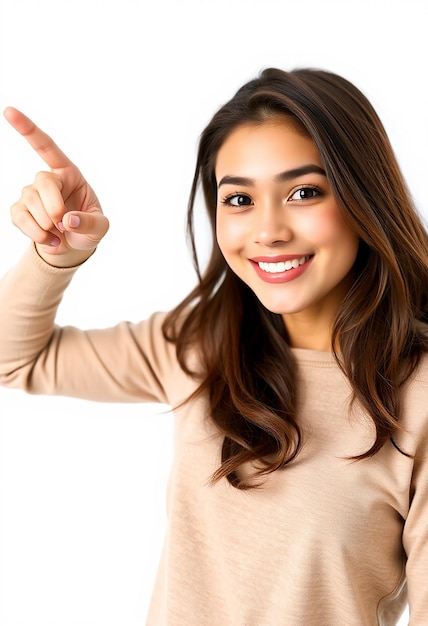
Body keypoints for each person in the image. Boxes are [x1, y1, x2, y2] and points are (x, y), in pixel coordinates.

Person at [0, 67, 427, 626]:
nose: (268, 230)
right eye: (240, 199)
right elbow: (17, 361)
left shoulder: (417, 396)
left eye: (304, 192)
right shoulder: (201, 346)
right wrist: (57, 252)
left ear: (363, 196)